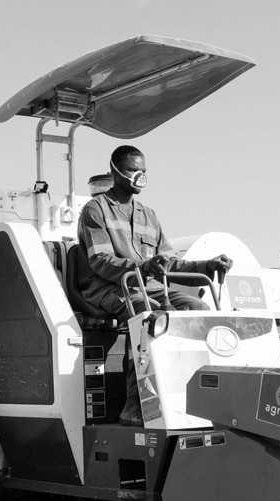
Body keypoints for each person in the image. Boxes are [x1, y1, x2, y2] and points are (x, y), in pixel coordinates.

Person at [77, 145, 232, 426]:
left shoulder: (149, 215)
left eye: (144, 171)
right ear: (115, 170)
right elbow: (100, 261)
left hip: (148, 286)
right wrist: (142, 267)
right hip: (109, 288)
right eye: (133, 170)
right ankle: (135, 407)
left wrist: (206, 266)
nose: (140, 177)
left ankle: (187, 396)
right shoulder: (95, 210)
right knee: (149, 318)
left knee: (197, 308)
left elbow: (168, 262)